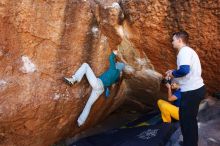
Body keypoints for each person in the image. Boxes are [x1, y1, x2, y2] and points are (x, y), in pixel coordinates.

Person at [63, 50, 125, 127]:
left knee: (85, 65)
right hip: (100, 90)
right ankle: (80, 122)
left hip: (98, 84)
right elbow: (111, 82)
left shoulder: (114, 69)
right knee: (89, 104)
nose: (116, 64)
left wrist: (114, 53)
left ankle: (73, 79)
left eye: (117, 64)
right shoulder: (116, 76)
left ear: (118, 66)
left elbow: (111, 58)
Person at [166, 31, 205, 146]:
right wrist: (173, 72)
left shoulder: (184, 51)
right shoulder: (188, 52)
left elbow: (184, 70)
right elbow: (186, 71)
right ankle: (191, 142)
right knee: (189, 121)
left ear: (179, 40)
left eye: (173, 40)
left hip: (191, 92)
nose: (172, 42)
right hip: (195, 90)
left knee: (187, 121)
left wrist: (172, 73)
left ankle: (190, 143)